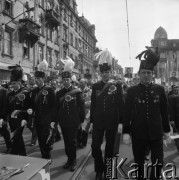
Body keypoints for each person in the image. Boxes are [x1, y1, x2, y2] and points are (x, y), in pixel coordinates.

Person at [123, 47, 171, 180]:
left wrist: (166, 131)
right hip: (138, 133)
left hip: (156, 132)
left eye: (149, 73)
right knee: (139, 164)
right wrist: (126, 132)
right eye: (143, 72)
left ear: (152, 74)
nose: (146, 75)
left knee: (159, 162)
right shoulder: (132, 91)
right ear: (139, 74)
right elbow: (127, 112)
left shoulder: (160, 90)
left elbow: (164, 111)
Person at [91, 49, 124, 180]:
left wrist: (121, 122)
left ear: (110, 72)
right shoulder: (95, 86)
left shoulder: (117, 85)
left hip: (112, 121)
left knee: (110, 150)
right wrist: (91, 122)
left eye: (107, 72)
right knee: (95, 147)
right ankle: (99, 169)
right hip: (98, 121)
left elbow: (121, 104)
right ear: (100, 73)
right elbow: (93, 104)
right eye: (103, 72)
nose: (105, 75)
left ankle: (108, 171)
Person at [56, 57, 85, 172]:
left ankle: (73, 162)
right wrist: (56, 120)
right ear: (62, 81)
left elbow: (81, 107)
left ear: (71, 80)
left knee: (72, 142)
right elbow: (56, 108)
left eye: (67, 80)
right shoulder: (59, 93)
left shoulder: (77, 92)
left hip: (74, 122)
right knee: (66, 142)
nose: (66, 82)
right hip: (63, 122)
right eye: (64, 80)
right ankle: (69, 159)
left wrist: (81, 120)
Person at [30, 60, 56, 161]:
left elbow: (53, 106)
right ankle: (43, 155)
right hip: (37, 119)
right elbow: (32, 104)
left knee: (46, 139)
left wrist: (53, 120)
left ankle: (47, 156)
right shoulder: (34, 90)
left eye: (39, 78)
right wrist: (30, 110)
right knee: (40, 139)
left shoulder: (50, 90)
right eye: (36, 78)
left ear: (43, 79)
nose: (37, 80)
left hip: (47, 119)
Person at [6, 65, 31, 156]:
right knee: (15, 136)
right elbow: (7, 108)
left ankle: (21, 153)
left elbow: (28, 107)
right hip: (12, 120)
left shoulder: (25, 93)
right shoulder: (10, 94)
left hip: (20, 120)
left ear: (19, 83)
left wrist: (26, 119)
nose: (13, 85)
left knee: (17, 136)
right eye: (12, 84)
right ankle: (16, 152)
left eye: (15, 83)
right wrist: (4, 118)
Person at [77, 78, 92, 148]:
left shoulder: (90, 91)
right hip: (78, 112)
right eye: (80, 82)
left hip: (86, 113)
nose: (80, 83)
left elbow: (92, 102)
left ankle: (83, 143)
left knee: (85, 129)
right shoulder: (77, 91)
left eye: (82, 82)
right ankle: (78, 142)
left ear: (85, 83)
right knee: (78, 128)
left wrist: (83, 104)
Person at [0, 86, 11, 153]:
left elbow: (6, 106)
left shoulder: (4, 91)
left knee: (5, 132)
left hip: (1, 116)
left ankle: (9, 146)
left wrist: (4, 118)